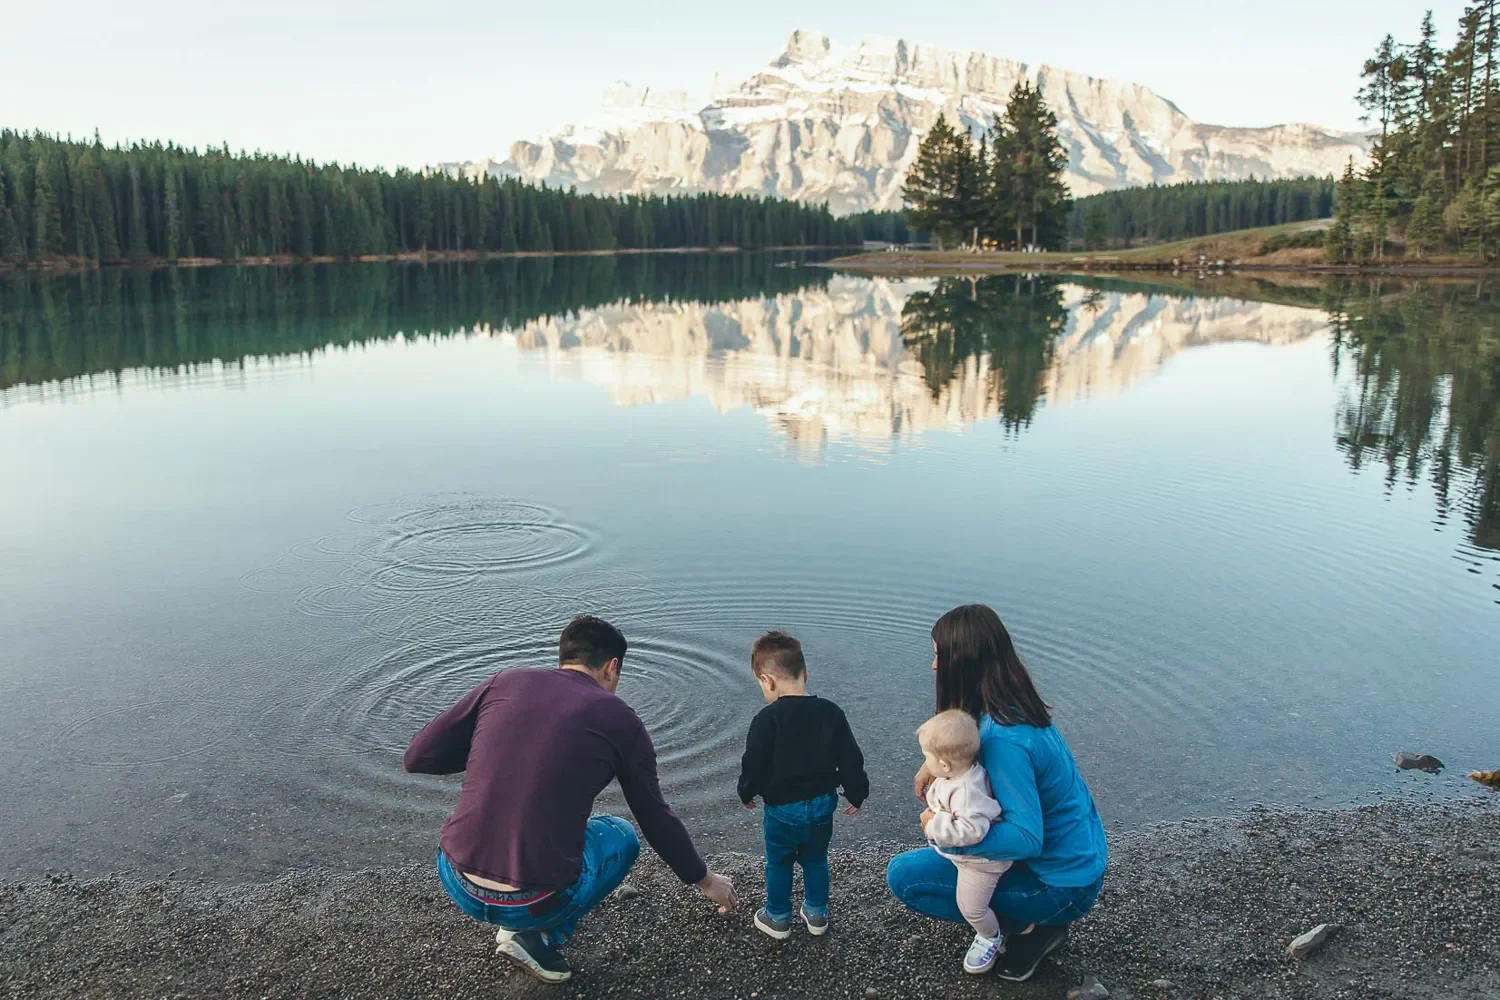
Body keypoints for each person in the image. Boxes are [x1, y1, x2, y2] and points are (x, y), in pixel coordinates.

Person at [403, 615, 739, 984]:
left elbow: (417, 756)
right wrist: (705, 881)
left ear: (564, 656)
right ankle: (537, 934)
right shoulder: (620, 719)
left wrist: (489, 751)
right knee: (620, 834)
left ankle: (520, 922)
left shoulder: (507, 681)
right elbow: (654, 817)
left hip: (456, 878)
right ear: (612, 667)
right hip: (531, 902)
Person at [887, 604, 1107, 982]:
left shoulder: (1004, 740)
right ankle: (1025, 917)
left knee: (906, 877)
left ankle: (1029, 930)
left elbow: (1025, 837)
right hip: (1080, 856)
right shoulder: (1013, 708)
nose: (934, 666)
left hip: (1062, 884)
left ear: (963, 662)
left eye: (939, 655)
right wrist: (935, 763)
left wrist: (938, 828)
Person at [736, 630, 868, 940]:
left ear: (767, 681)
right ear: (804, 673)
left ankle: (778, 917)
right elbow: (850, 758)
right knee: (816, 859)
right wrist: (857, 792)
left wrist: (747, 790)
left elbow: (753, 762)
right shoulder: (831, 713)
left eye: (761, 686)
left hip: (782, 808)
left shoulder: (767, 719)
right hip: (823, 803)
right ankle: (817, 913)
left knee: (779, 862)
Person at [917, 709, 1009, 974]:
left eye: (926, 757)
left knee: (972, 907)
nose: (925, 762)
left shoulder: (968, 791)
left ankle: (990, 936)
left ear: (944, 765)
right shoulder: (956, 775)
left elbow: (972, 830)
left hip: (979, 863)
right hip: (962, 855)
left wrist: (934, 825)